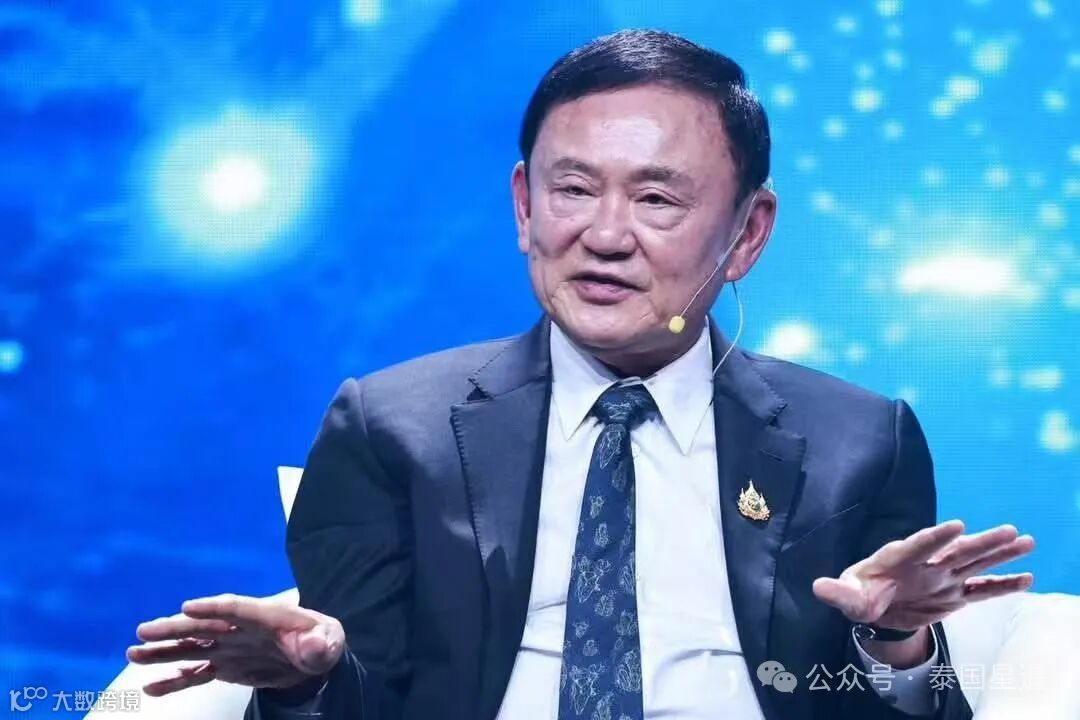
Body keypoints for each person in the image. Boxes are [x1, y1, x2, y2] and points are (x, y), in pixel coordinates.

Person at [127, 29, 1036, 720]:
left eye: (656, 198)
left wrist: (895, 640)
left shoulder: (860, 439)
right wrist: (300, 683)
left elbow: (904, 711)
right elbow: (360, 696)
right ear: (524, 205)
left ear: (749, 233)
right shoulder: (391, 426)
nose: (603, 236)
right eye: (572, 189)